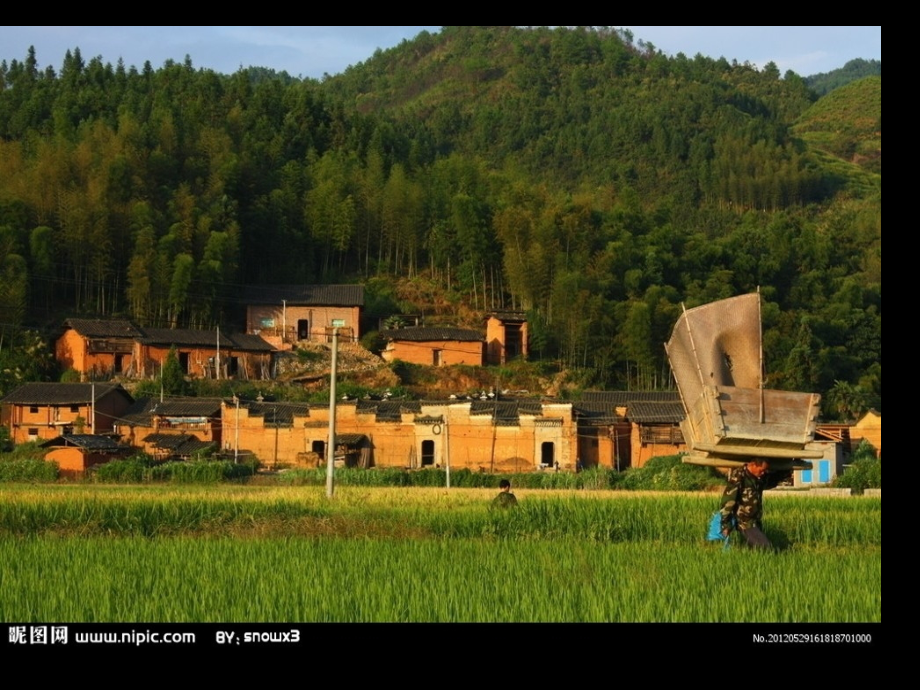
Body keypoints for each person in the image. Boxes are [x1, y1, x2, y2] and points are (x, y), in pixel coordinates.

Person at [719, 459, 773, 550]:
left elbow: (772, 482)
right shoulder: (739, 477)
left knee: (758, 549)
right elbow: (728, 501)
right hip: (744, 522)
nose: (763, 473)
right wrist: (725, 524)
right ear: (753, 465)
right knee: (765, 547)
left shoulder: (757, 478)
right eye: (762, 470)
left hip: (755, 521)